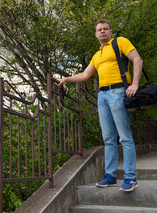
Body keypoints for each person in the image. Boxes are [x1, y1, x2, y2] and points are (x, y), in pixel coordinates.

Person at [56, 19, 143, 192]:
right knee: (109, 139)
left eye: (105, 29)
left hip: (118, 92)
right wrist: (66, 79)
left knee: (125, 137)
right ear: (96, 34)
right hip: (102, 96)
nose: (102, 31)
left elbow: (137, 60)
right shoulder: (97, 55)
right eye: (99, 30)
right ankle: (110, 176)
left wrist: (135, 84)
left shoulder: (120, 42)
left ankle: (131, 178)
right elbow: (85, 75)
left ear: (110, 31)